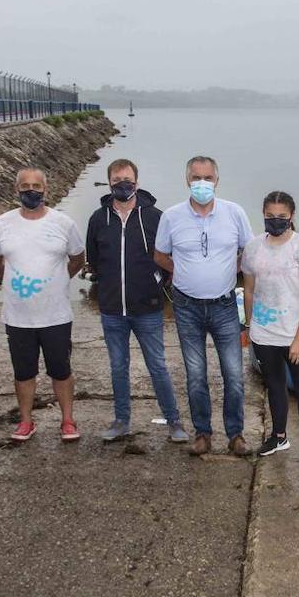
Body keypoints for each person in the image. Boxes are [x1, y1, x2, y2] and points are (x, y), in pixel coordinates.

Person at [153, 156, 254, 457]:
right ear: (187, 181)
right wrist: (182, 270)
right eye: (196, 178)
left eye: (207, 178)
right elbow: (159, 255)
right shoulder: (171, 217)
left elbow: (248, 251)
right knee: (196, 374)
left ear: (217, 180)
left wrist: (229, 268)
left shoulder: (235, 213)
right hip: (186, 308)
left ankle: (235, 435)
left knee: (234, 374)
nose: (202, 183)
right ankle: (203, 433)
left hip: (224, 307)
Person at [85, 159, 189, 444]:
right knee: (118, 366)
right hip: (112, 310)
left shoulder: (156, 216)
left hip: (148, 308)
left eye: (127, 179)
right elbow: (93, 259)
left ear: (137, 182)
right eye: (117, 180)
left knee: (157, 365)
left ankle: (174, 421)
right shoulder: (98, 218)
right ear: (109, 183)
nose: (123, 184)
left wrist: (159, 284)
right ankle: (121, 421)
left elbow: (169, 255)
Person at [0, 168, 86, 442]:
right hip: (18, 318)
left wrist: (57, 278)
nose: (32, 191)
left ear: (46, 189)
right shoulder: (1, 224)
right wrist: (9, 279)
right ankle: (26, 421)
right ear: (16, 189)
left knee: (61, 370)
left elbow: (77, 258)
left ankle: (67, 420)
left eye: (37, 186)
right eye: (25, 186)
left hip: (56, 315)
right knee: (24, 372)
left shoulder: (63, 223)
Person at [242, 191, 299, 466]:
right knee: (275, 386)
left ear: (291, 217)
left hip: (297, 334)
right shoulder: (253, 248)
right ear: (263, 215)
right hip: (265, 334)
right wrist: (250, 325)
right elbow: (249, 290)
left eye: (281, 217)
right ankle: (279, 436)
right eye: (269, 217)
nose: (275, 221)